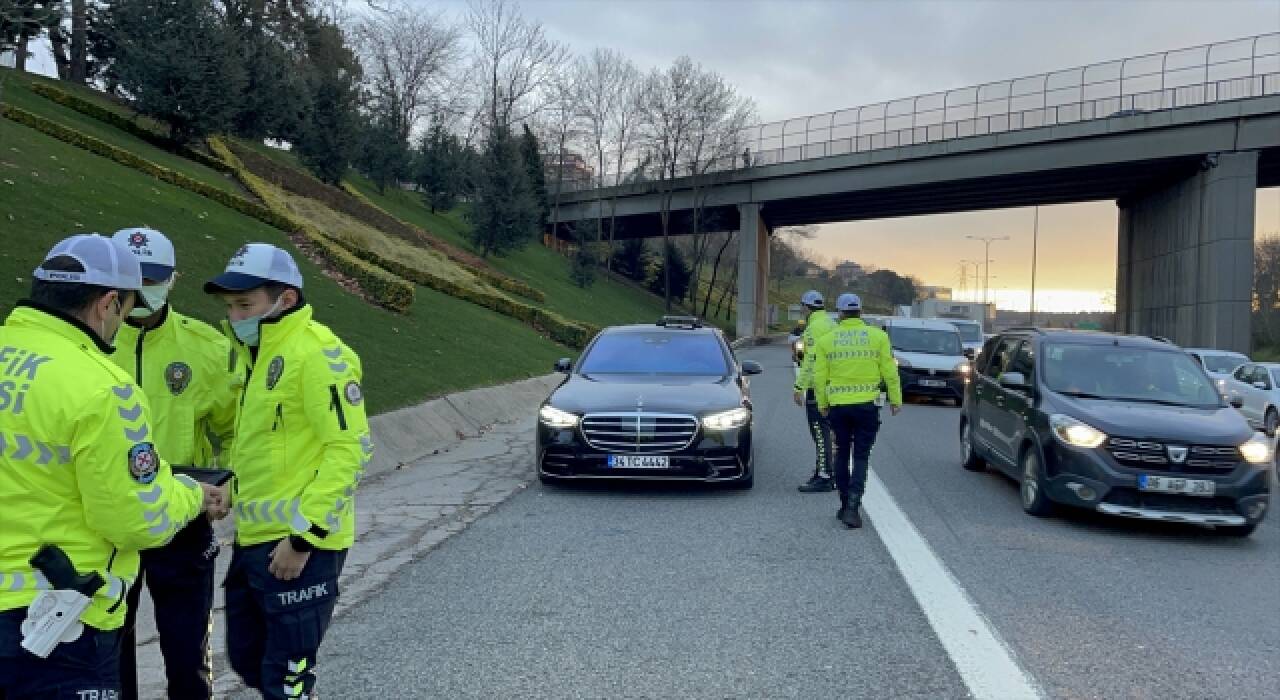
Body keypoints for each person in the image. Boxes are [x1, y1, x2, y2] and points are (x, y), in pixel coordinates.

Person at [0, 234, 218, 697]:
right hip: (59, 618)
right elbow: (136, 520)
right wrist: (191, 493)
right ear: (108, 303)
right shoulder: (101, 387)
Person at [204, 243, 372, 700]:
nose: (236, 316)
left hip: (300, 546)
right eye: (230, 306)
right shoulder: (256, 357)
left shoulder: (319, 355)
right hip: (255, 539)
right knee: (247, 658)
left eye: (245, 305)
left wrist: (303, 539)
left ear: (286, 300)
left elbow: (349, 450)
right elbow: (268, 448)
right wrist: (230, 491)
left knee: (288, 678)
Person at [110, 227, 240, 700]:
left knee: (188, 659)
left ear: (173, 279)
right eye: (132, 277)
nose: (142, 288)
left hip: (183, 515)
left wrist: (228, 487)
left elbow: (237, 433)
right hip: (110, 520)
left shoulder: (206, 349)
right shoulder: (91, 344)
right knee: (108, 655)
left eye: (155, 278)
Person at [813, 293, 903, 529]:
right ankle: (853, 506)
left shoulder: (826, 340)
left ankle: (844, 504)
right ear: (860, 312)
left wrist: (822, 404)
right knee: (861, 456)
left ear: (840, 313)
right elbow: (890, 372)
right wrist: (895, 399)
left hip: (838, 407)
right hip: (867, 407)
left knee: (842, 453)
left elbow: (819, 377)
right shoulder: (878, 337)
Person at [792, 290, 838, 492]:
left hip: (817, 388)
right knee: (831, 433)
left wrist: (798, 386)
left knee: (820, 433)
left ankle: (824, 476)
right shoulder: (832, 324)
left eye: (802, 306)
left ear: (806, 307)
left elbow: (809, 362)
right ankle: (830, 472)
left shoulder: (812, 330)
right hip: (835, 387)